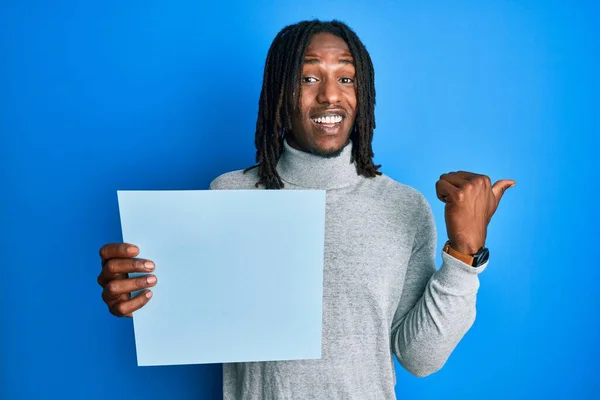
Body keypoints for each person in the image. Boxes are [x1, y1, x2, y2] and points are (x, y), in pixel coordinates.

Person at [97, 19, 514, 399]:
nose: (330, 95)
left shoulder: (403, 206)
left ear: (362, 93)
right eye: (308, 77)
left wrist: (463, 254)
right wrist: (138, 291)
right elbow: (192, 314)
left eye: (345, 77)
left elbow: (419, 358)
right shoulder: (230, 194)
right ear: (281, 92)